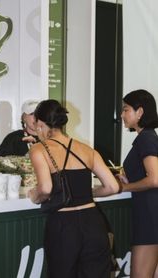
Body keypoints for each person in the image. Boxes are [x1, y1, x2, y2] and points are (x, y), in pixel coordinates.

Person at [28, 99, 119, 278]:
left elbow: (45, 188)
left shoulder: (39, 149)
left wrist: (34, 195)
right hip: (94, 224)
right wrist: (87, 193)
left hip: (63, 226)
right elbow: (113, 186)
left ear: (40, 123)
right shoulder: (86, 149)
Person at [117, 89, 158, 278]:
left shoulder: (146, 138)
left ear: (139, 112)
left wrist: (124, 187)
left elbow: (154, 179)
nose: (122, 114)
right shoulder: (147, 137)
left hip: (149, 216)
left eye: (126, 110)